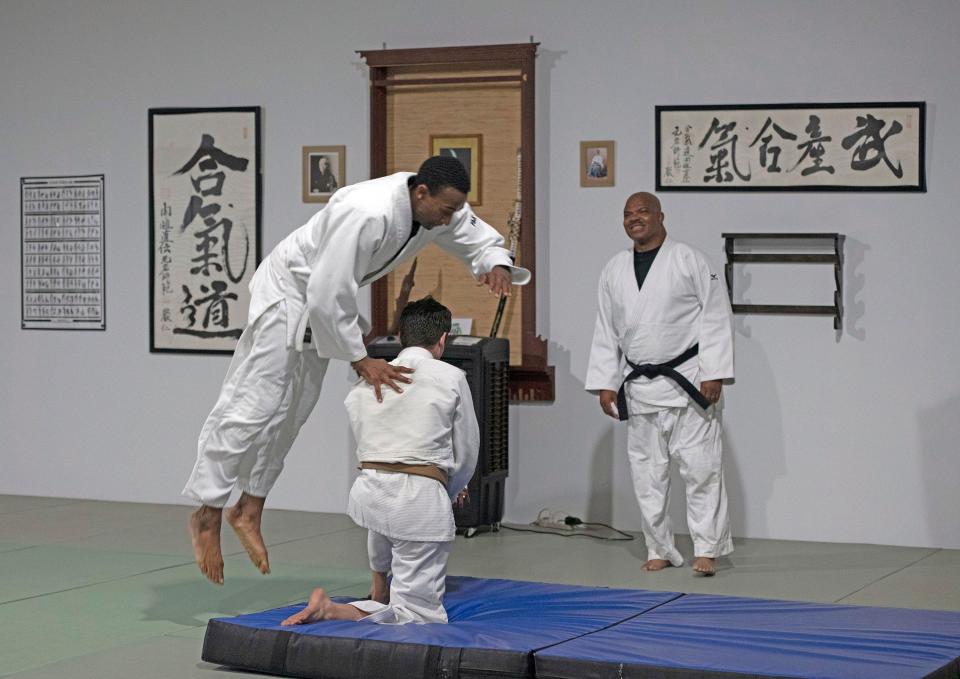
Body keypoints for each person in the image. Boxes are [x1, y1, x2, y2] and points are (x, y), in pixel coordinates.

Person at [183, 156, 529, 585]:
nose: (453, 217)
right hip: (288, 295)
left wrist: (494, 262)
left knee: (293, 412)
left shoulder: (437, 209)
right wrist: (360, 359)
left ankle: (249, 507)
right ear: (421, 193)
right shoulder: (367, 212)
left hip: (320, 308)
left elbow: (474, 236)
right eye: (448, 208)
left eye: (457, 208)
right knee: (253, 405)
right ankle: (207, 509)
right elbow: (328, 289)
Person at [281, 296, 478, 625]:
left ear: (400, 336)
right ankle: (332, 610)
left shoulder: (366, 380)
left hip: (369, 492)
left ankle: (378, 587)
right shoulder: (451, 377)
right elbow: (468, 449)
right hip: (418, 499)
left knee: (386, 519)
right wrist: (449, 488)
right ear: (443, 339)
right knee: (418, 614)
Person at [585, 192, 734, 576]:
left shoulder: (690, 259)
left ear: (660, 216)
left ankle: (707, 548)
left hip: (689, 382)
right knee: (648, 475)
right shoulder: (613, 269)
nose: (635, 219)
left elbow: (715, 315)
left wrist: (713, 371)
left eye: (642, 212)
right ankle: (659, 547)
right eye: (627, 214)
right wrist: (606, 380)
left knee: (701, 469)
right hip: (639, 386)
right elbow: (606, 328)